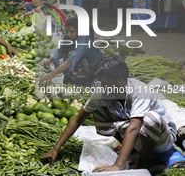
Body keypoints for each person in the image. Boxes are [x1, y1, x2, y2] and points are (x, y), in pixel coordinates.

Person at [41, 56, 177, 172]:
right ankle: (132, 151)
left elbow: (134, 127)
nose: (103, 86)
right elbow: (78, 120)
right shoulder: (104, 92)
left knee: (151, 119)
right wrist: (56, 148)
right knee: (98, 111)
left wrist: (117, 165)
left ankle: (144, 159)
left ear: (119, 78)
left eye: (106, 82)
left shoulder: (139, 90)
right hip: (139, 139)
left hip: (159, 140)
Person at [40, 16, 103, 86]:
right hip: (83, 62)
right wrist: (51, 59)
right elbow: (61, 51)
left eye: (71, 32)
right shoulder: (67, 38)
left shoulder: (84, 41)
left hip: (96, 66)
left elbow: (73, 59)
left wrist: (53, 73)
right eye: (67, 31)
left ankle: (83, 86)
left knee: (76, 63)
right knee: (69, 59)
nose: (68, 34)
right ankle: (70, 83)